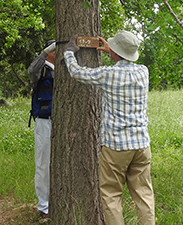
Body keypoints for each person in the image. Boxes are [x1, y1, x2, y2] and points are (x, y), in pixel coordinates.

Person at [63, 30, 155, 225]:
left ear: (116, 52)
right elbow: (124, 64)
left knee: (111, 196)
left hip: (116, 146)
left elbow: (78, 72)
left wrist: (69, 52)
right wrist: (113, 52)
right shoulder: (143, 71)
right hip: (141, 144)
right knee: (144, 196)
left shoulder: (108, 74)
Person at [28, 40, 56, 219]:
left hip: (63, 123)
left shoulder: (63, 67)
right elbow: (31, 70)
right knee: (43, 164)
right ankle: (43, 207)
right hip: (44, 121)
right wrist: (47, 50)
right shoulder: (41, 68)